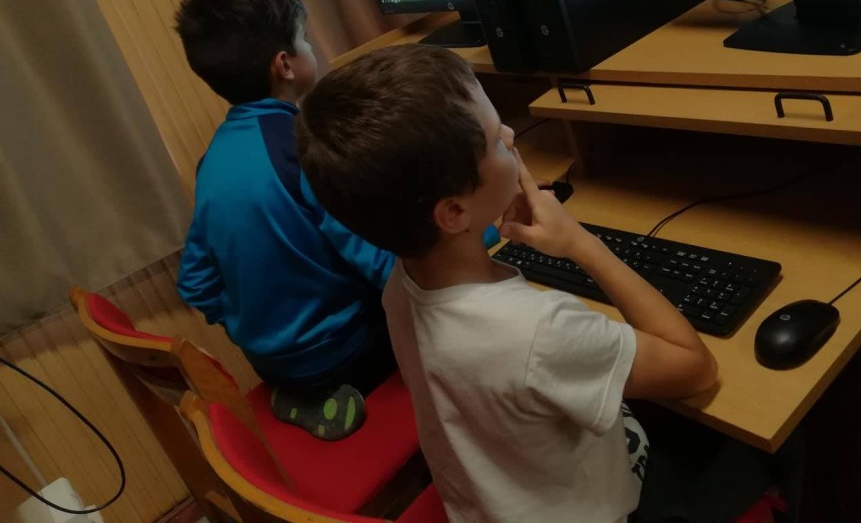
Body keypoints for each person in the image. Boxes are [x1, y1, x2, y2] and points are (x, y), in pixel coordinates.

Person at [296, 45, 778, 522]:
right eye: (495, 139)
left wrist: (492, 199)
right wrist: (580, 242)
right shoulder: (536, 332)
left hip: (495, 501)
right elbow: (694, 367)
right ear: (455, 211)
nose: (511, 135)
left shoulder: (401, 286)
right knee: (770, 441)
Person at [173, 0, 395, 440]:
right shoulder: (304, 148)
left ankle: (300, 396)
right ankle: (339, 396)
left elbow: (194, 281)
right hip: (344, 352)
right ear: (285, 64)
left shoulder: (212, 162)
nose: (311, 46)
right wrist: (472, 247)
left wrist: (257, 325)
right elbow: (376, 260)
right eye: (305, 38)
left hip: (269, 362)